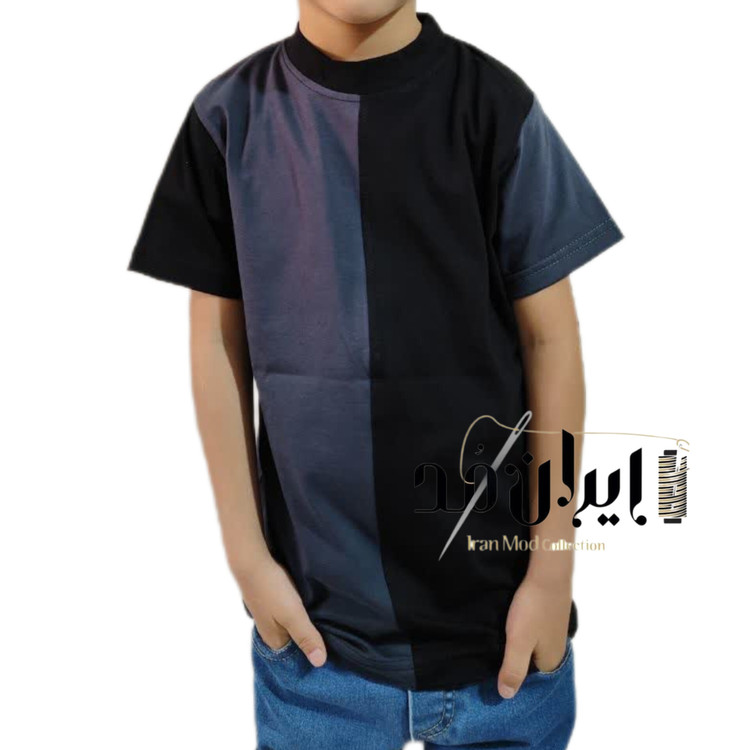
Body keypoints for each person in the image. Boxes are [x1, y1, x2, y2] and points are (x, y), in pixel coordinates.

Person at [128, 2, 624, 747]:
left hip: (503, 639)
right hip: (316, 646)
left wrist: (552, 576)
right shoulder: (227, 119)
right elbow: (215, 345)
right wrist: (247, 560)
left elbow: (551, 340)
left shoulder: (495, 106)